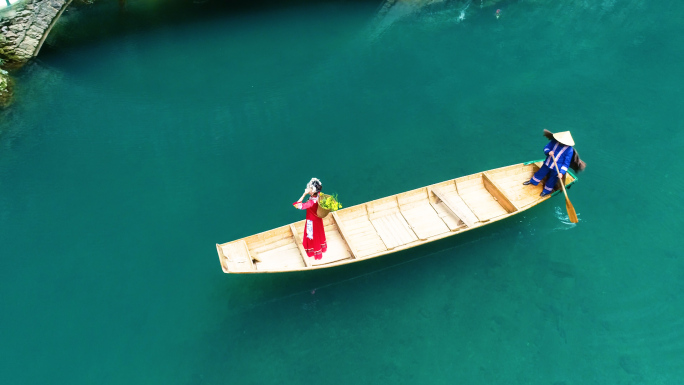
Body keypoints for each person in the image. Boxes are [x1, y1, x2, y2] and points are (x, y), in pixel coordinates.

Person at [523, 130, 576, 197]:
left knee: (552, 179)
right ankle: (533, 181)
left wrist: (561, 172)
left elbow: (566, 163)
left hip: (557, 168)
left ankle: (546, 191)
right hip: (548, 162)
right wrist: (548, 152)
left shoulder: (569, 150)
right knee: (541, 172)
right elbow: (546, 148)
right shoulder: (554, 141)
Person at [293, 178, 327, 260]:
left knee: (311, 236)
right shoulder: (319, 195)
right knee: (318, 233)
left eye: (310, 189)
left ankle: (313, 252)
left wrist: (304, 194)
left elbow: (297, 205)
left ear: (313, 191)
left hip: (311, 221)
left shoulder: (311, 202)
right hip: (318, 219)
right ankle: (321, 248)